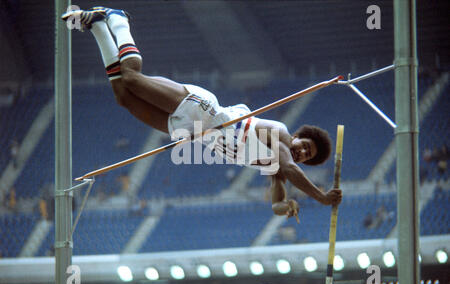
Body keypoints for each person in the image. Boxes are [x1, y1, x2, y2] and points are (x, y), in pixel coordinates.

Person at [62, 7, 342, 220]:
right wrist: (321, 197)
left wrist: (287, 206)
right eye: (305, 146)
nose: (302, 154)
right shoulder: (279, 135)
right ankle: (117, 19)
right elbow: (290, 169)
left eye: (308, 156)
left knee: (123, 96)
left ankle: (97, 25)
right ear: (297, 136)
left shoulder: (277, 166)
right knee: (132, 78)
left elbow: (277, 201)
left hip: (192, 133)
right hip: (201, 110)